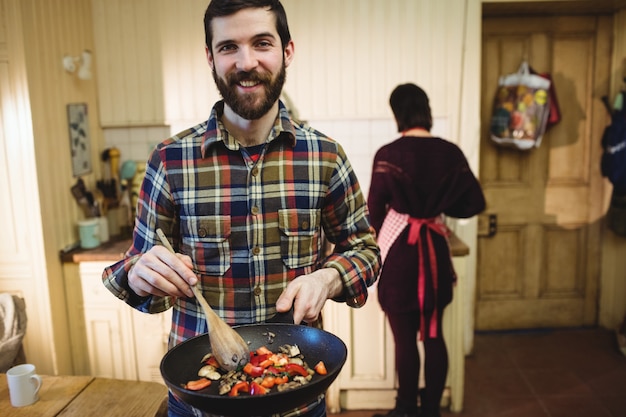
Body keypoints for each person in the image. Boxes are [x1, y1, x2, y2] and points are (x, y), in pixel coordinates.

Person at [101, 1, 380, 416]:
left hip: (298, 396)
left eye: (262, 43)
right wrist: (141, 275)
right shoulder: (170, 160)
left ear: (287, 50)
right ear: (211, 57)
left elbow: (365, 251)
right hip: (199, 402)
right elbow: (135, 266)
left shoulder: (326, 157)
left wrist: (327, 278)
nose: (246, 62)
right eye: (229, 47)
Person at [367, 83, 485, 417]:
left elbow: (373, 214)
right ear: (426, 110)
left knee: (404, 339)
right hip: (434, 250)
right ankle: (430, 410)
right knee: (434, 335)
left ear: (397, 113)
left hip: (400, 256)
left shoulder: (388, 154)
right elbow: (474, 202)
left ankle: (405, 409)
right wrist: (438, 209)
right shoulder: (450, 152)